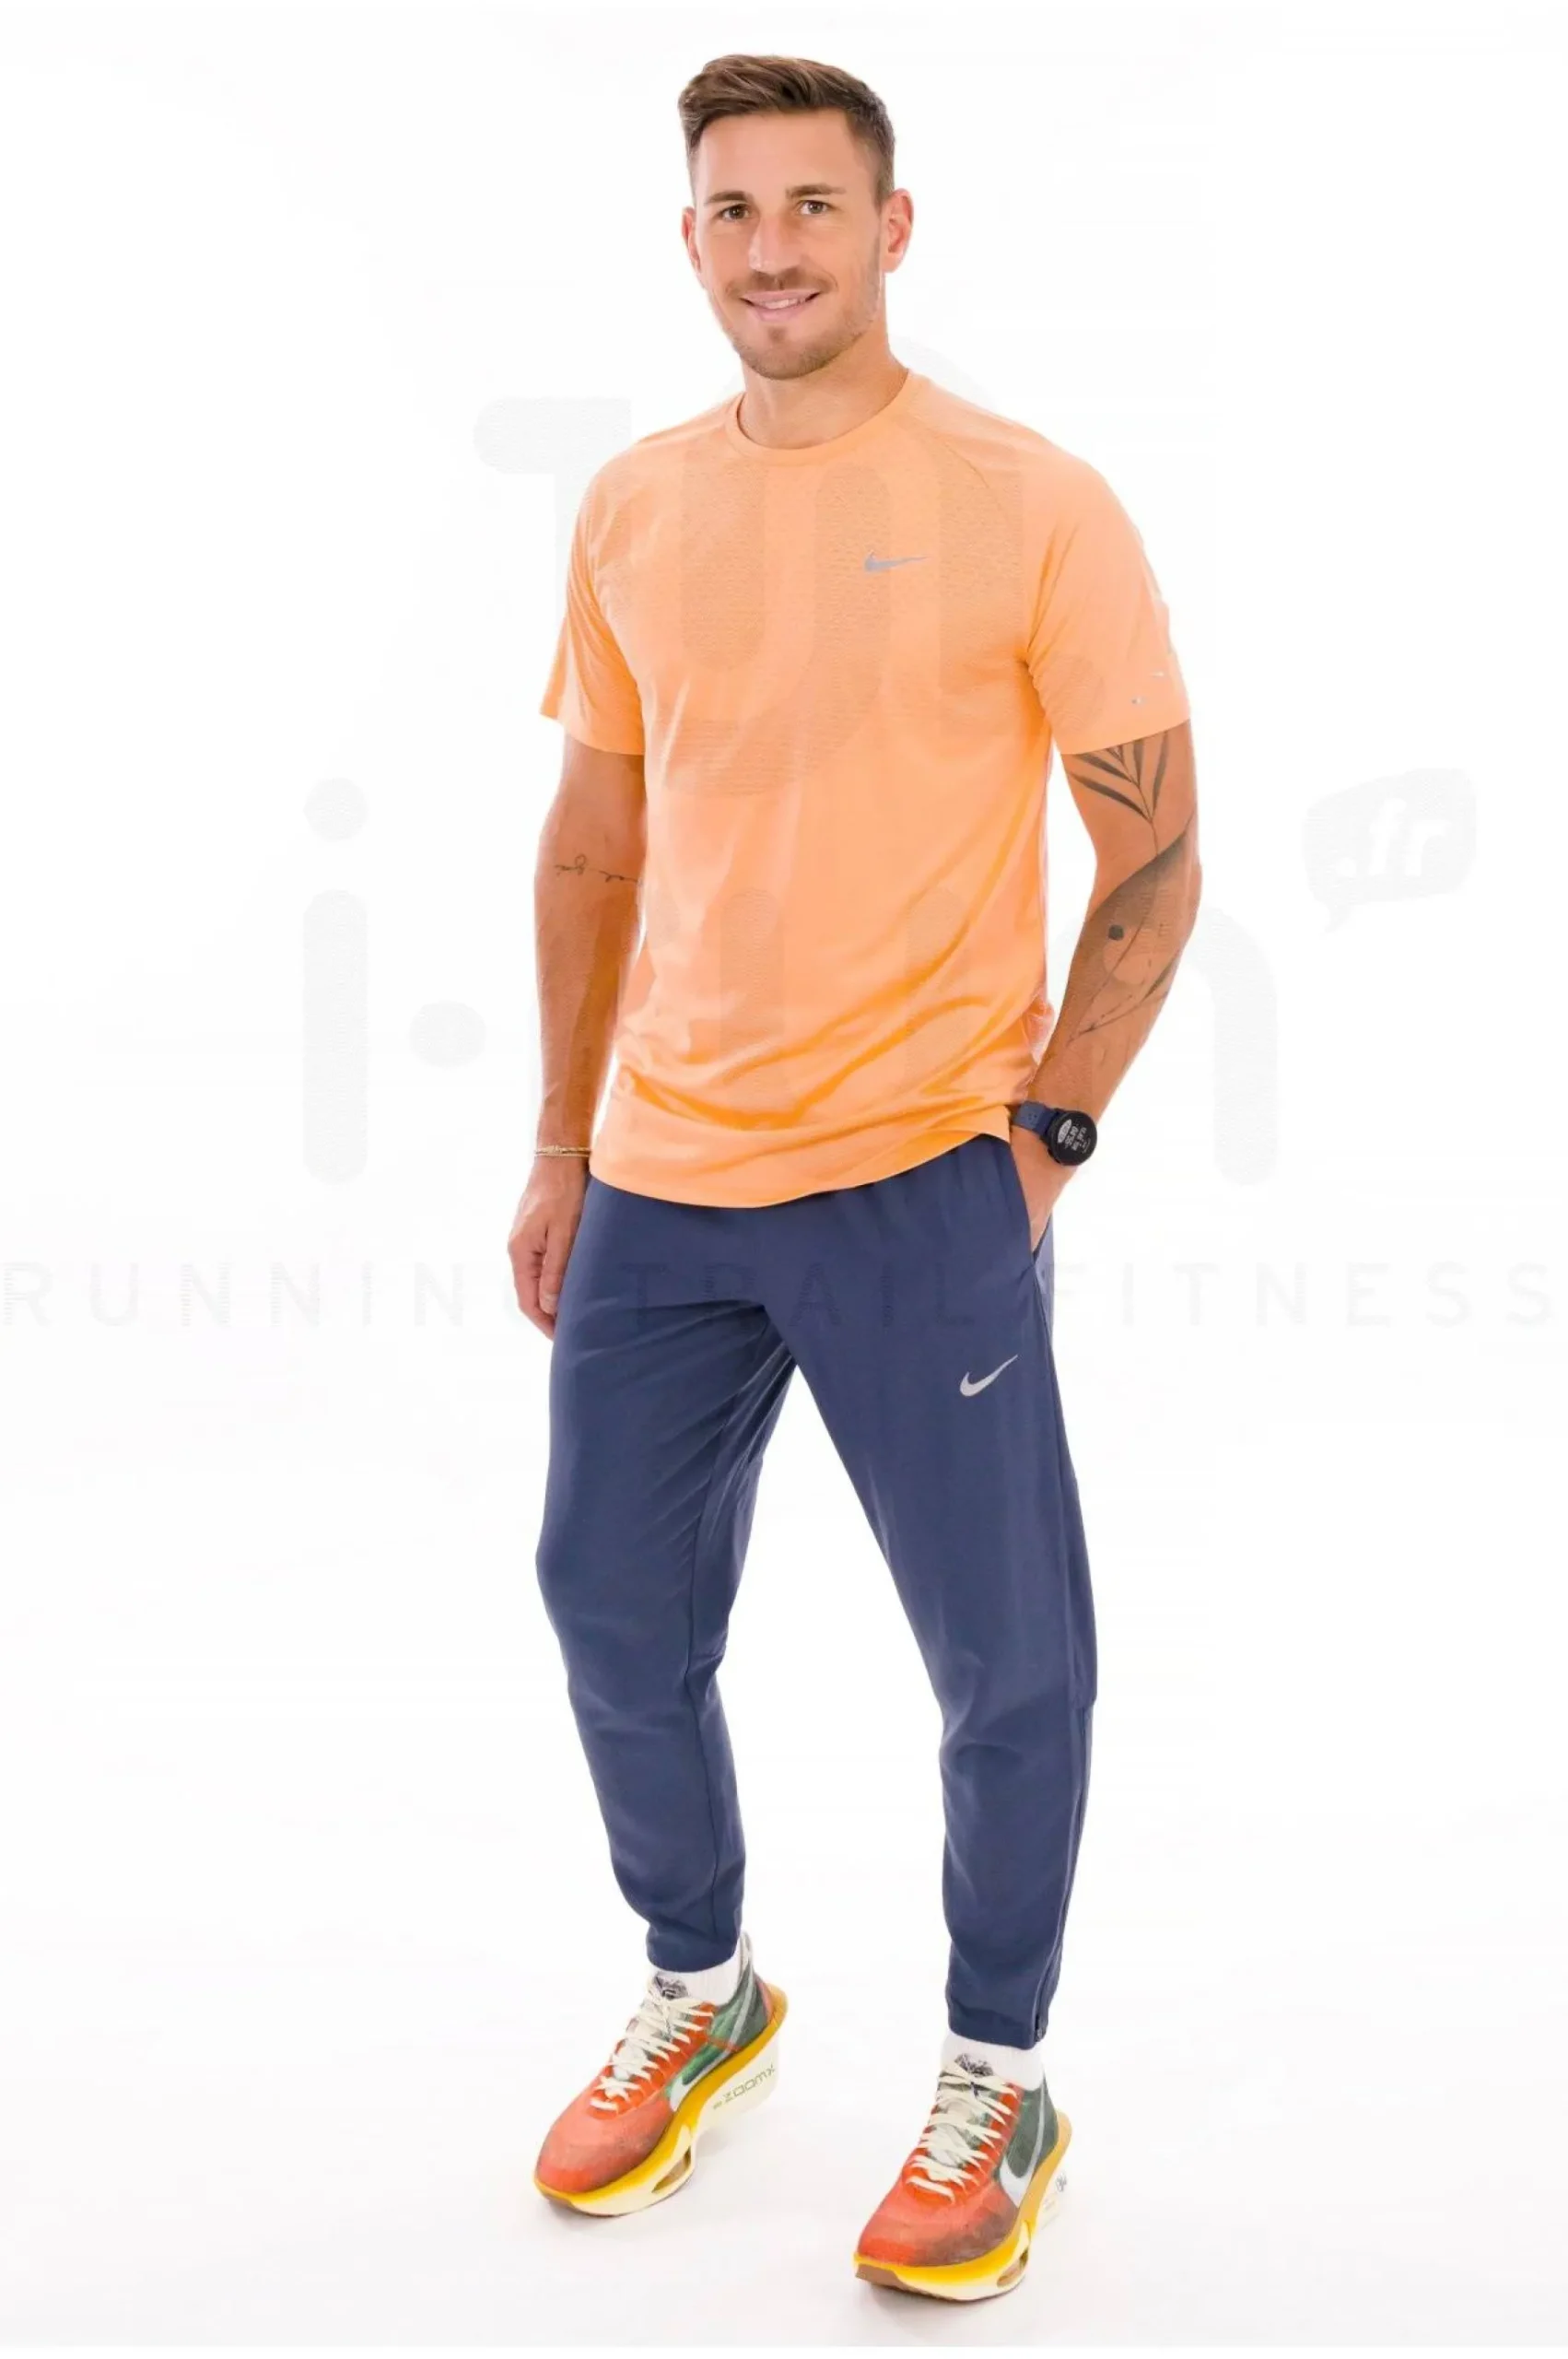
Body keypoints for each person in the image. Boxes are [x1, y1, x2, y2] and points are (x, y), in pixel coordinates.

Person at [510, 50, 1202, 2305]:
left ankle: (998, 2071)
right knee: (608, 1605)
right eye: (732, 210)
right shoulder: (632, 503)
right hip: (662, 1177)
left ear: (891, 229)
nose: (773, 248)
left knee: (1006, 1664)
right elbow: (597, 835)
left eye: (814, 204)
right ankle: (700, 1986)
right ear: (688, 241)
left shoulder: (1028, 499)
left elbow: (1153, 848)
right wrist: (559, 1141)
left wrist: (1048, 1132)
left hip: (920, 1170)